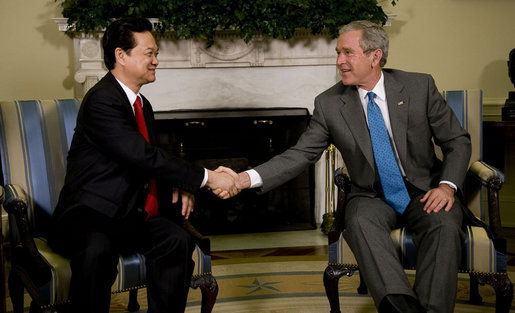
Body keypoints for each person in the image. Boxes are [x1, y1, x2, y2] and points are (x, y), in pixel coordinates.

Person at [216, 20, 471, 313]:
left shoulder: (419, 86)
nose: (339, 61)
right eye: (338, 53)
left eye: (348, 53)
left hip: (425, 188)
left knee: (444, 223)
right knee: (360, 222)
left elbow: (457, 141)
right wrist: (243, 179)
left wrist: (447, 185)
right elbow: (300, 154)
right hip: (370, 196)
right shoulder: (329, 104)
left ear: (375, 56)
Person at [48, 17, 237, 313]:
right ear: (120, 56)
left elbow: (149, 161)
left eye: (156, 54)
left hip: (127, 215)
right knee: (97, 251)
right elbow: (143, 156)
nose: (156, 61)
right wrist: (207, 178)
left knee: (176, 240)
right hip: (90, 215)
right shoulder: (101, 101)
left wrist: (180, 184)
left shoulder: (141, 104)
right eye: (149, 53)